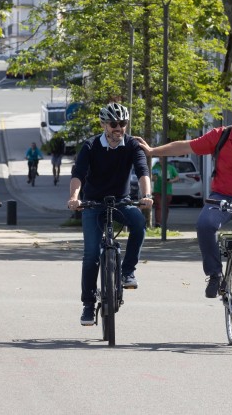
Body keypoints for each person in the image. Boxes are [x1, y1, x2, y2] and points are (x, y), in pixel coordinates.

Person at [135, 93, 232, 331]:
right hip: (223, 197)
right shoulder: (220, 136)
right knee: (205, 224)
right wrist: (152, 151)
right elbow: (186, 146)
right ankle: (215, 274)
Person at [67, 102, 153, 326]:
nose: (119, 128)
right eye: (114, 124)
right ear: (104, 124)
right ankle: (88, 304)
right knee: (91, 256)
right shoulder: (90, 145)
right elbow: (78, 174)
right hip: (93, 204)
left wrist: (147, 195)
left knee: (138, 223)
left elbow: (143, 171)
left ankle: (127, 271)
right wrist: (75, 197)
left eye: (123, 124)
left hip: (121, 202)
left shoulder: (132, 145)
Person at [151, 159, 180, 227]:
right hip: (157, 190)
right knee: (158, 206)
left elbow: (177, 177)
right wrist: (153, 178)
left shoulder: (170, 168)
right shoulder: (156, 167)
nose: (161, 160)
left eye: (163, 158)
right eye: (160, 158)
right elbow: (152, 176)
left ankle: (163, 223)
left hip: (167, 191)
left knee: (165, 207)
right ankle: (158, 223)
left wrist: (171, 180)